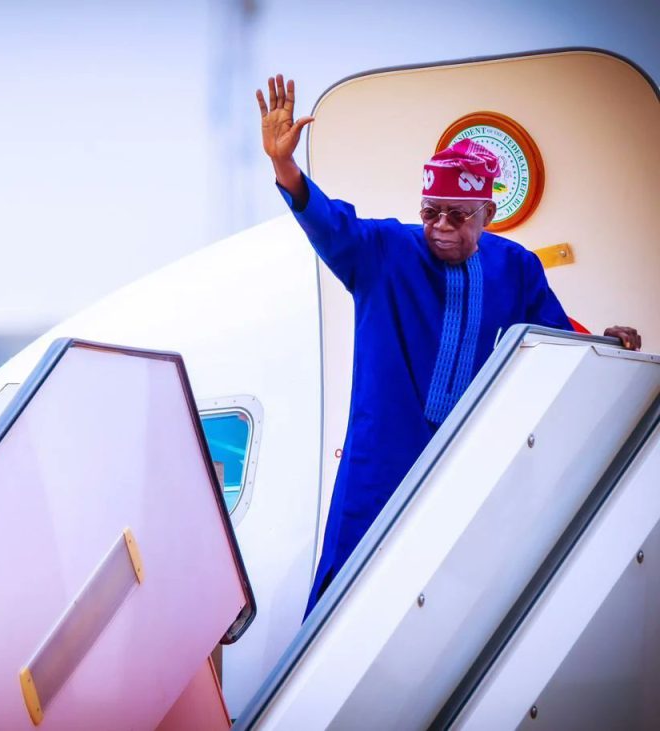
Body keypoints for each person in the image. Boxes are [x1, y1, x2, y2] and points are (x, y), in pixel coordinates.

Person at [256, 73, 642, 619]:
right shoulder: (384, 251)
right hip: (382, 460)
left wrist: (606, 344)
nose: (439, 225)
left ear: (487, 215)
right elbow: (330, 224)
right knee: (350, 591)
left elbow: (555, 339)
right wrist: (285, 166)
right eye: (430, 211)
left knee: (455, 603)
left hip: (469, 464)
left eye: (457, 215)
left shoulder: (515, 267)